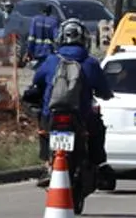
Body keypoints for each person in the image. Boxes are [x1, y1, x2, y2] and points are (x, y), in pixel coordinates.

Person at [24, 18, 114, 186]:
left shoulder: (51, 60)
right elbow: (104, 89)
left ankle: (46, 164)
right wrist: (106, 94)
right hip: (82, 115)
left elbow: (37, 80)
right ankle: (99, 164)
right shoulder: (91, 63)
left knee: (44, 130)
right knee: (98, 129)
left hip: (51, 113)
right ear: (84, 40)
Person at [25, 3, 59, 67]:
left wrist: (29, 50)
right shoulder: (53, 21)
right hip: (48, 51)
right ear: (50, 11)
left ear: (41, 10)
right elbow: (56, 38)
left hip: (36, 50)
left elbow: (31, 37)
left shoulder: (35, 20)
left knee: (38, 69)